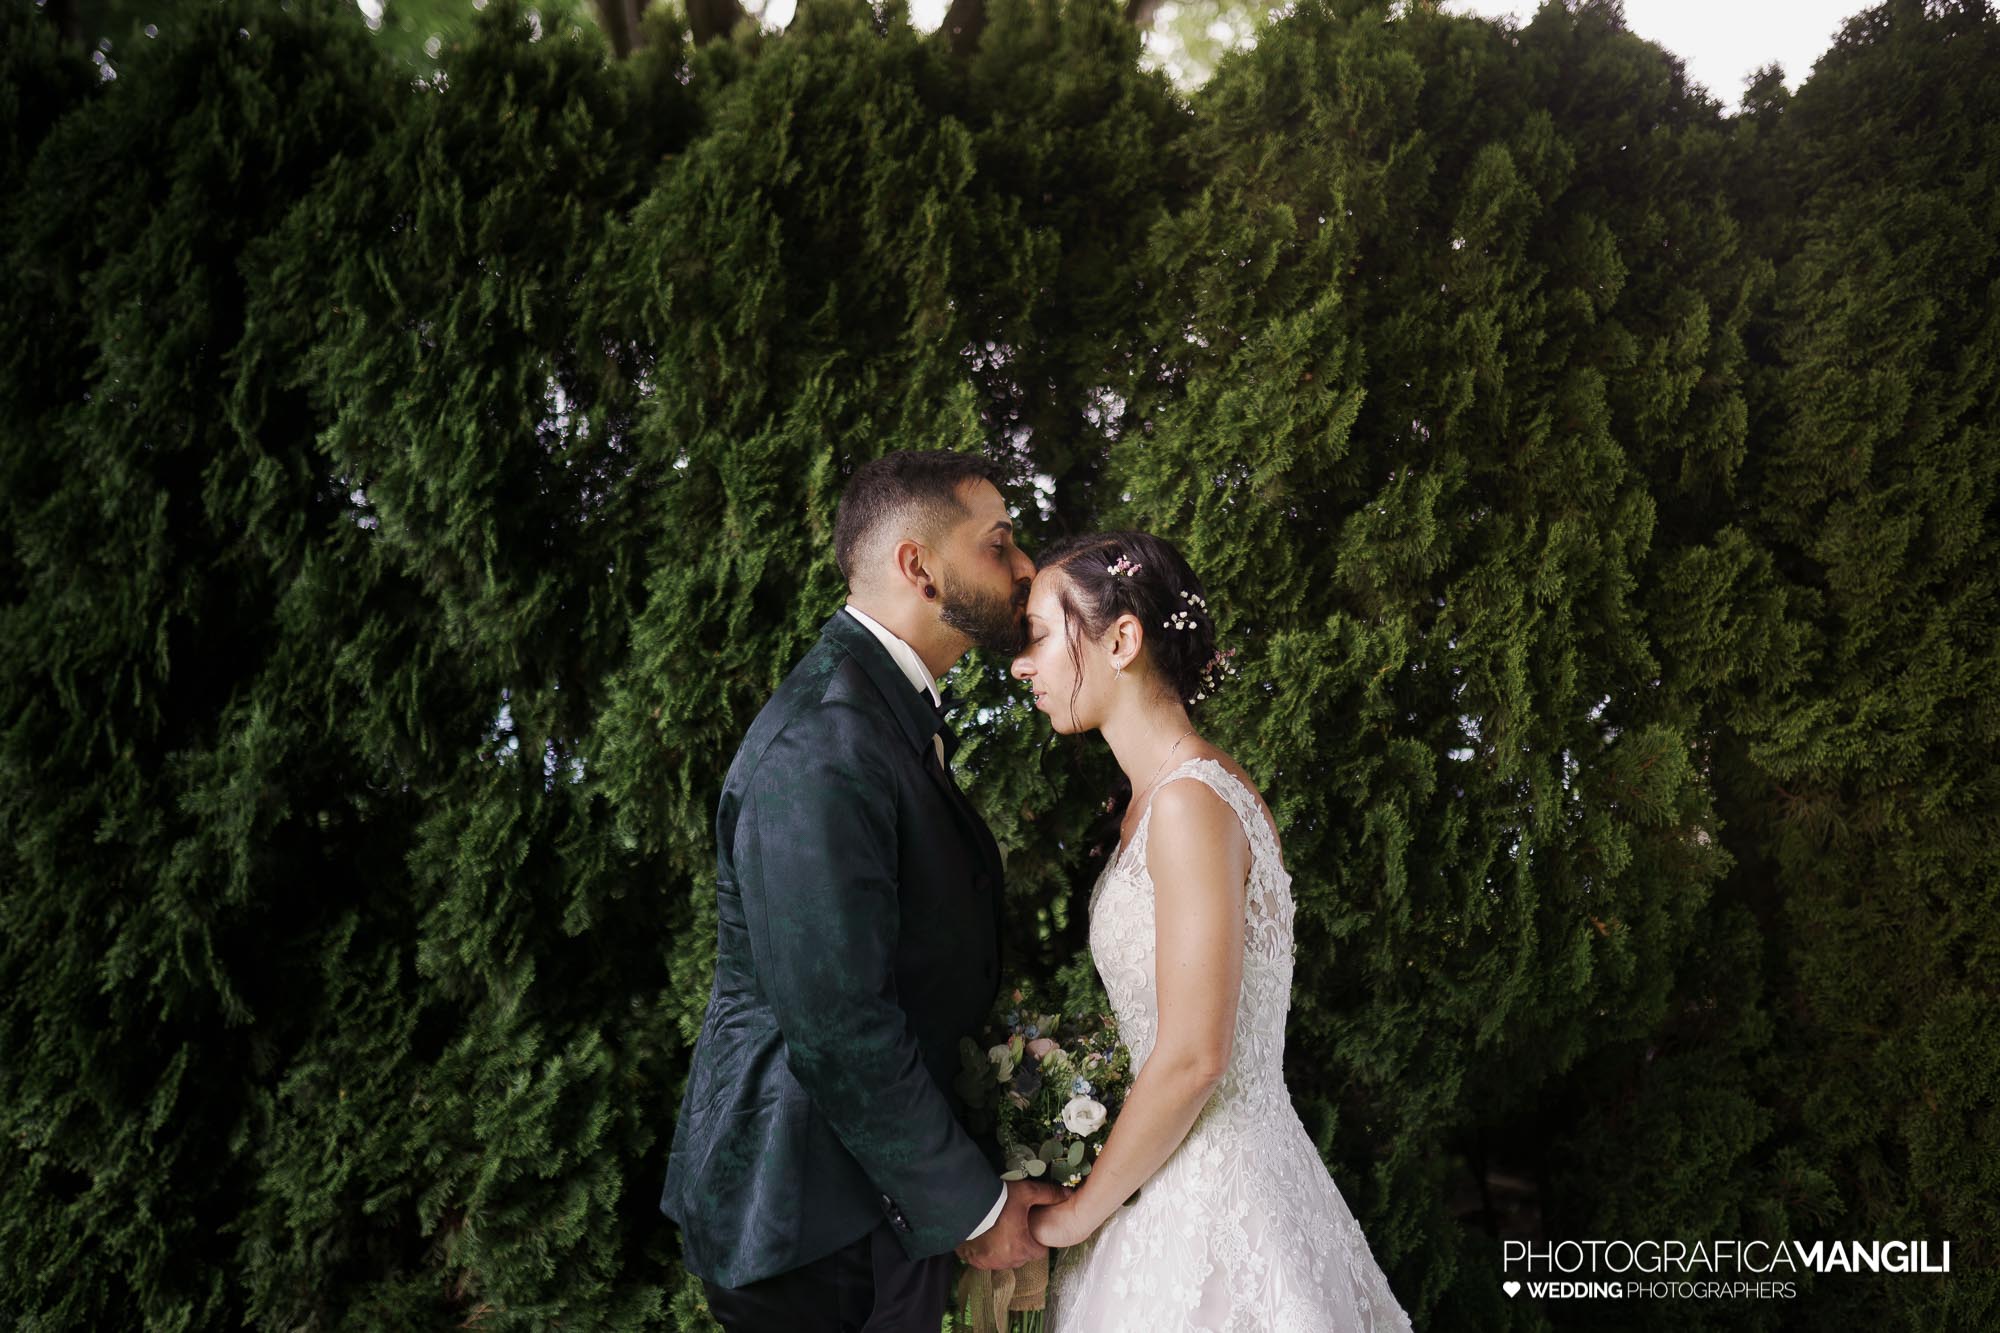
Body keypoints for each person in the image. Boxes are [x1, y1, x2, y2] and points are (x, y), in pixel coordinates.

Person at [660, 450, 1067, 1333]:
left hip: (863, 1203)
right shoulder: (823, 738)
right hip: (810, 1218)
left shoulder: (883, 711)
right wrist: (975, 1207)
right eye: (998, 542)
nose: (1026, 566)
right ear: (918, 566)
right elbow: (840, 1021)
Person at [1008, 530, 1414, 1332]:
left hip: (1219, 1203)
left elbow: (1195, 1056)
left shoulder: (1191, 801)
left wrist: (1073, 1215)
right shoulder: (1150, 802)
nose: (1022, 665)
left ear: (1121, 639)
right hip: (1167, 1186)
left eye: (1039, 636)